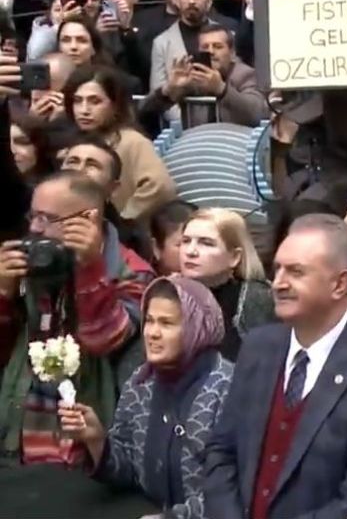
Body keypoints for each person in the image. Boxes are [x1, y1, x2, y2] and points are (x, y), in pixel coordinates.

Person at [202, 214, 347, 519]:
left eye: (296, 272)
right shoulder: (258, 347)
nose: (278, 283)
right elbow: (221, 451)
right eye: (277, 269)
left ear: (340, 284)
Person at [0, 171, 153, 464]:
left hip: (86, 448)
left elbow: (104, 339)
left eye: (48, 219)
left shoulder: (131, 270)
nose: (34, 228)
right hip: (19, 440)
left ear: (87, 219)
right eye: (33, 216)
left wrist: (90, 267)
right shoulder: (28, 259)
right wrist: (3, 294)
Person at [58, 276, 233, 517]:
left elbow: (235, 491)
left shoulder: (229, 389)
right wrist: (96, 440)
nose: (152, 333)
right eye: (149, 321)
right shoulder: (141, 383)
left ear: (197, 328)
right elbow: (129, 470)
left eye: (166, 323)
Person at [64, 64, 177, 219]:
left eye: (95, 101)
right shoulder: (71, 140)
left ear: (115, 105)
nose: (84, 110)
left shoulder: (132, 141)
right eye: (77, 101)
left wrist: (124, 220)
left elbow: (161, 186)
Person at [177, 208, 274, 361]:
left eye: (206, 243)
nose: (190, 251)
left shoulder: (258, 298)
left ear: (234, 257)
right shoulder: (168, 293)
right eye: (185, 241)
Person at [143, 23, 266, 128]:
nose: (210, 51)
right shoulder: (192, 78)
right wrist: (168, 90)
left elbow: (257, 114)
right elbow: (144, 111)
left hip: (236, 143)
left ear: (232, 52)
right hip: (197, 143)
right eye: (205, 47)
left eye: (217, 46)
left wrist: (222, 89)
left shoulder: (245, 75)